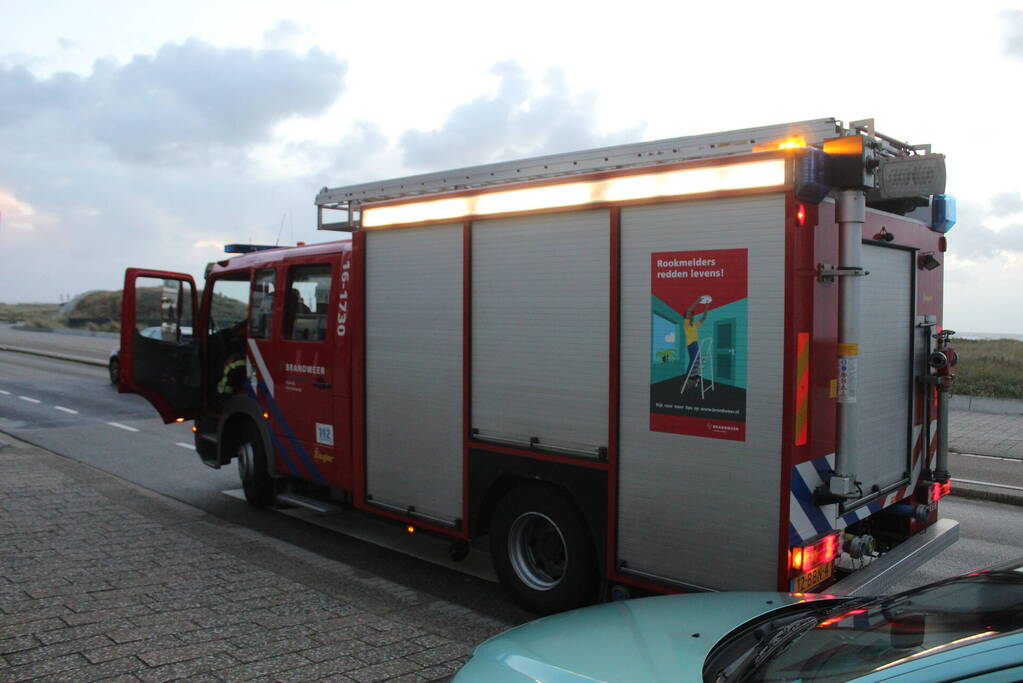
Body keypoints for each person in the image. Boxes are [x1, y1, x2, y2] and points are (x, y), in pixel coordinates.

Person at [682, 295, 710, 384]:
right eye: (690, 315)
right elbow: (689, 310)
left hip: (695, 344)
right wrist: (698, 300)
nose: (692, 316)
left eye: (692, 315)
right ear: (687, 317)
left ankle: (693, 375)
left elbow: (704, 318)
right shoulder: (686, 324)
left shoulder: (694, 325)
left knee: (696, 360)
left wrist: (706, 305)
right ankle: (689, 376)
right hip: (691, 344)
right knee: (694, 360)